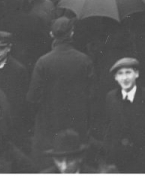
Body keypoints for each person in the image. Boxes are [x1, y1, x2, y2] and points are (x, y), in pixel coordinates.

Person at [27, 17, 95, 167]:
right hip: (77, 127)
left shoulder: (43, 62)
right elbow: (92, 97)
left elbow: (32, 98)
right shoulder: (85, 60)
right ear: (72, 34)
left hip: (49, 128)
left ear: (52, 34)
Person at [102, 57, 145, 172]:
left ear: (136, 74)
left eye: (128, 73)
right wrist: (110, 151)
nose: (125, 78)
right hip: (119, 162)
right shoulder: (111, 98)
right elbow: (107, 127)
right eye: (120, 74)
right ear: (115, 78)